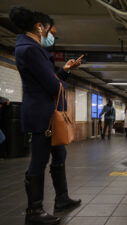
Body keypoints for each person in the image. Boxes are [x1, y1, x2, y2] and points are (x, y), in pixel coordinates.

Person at [10, 7, 82, 225]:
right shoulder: (30, 50)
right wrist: (61, 82)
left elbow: (49, 80)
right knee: (39, 160)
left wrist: (65, 71)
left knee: (59, 155)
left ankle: (61, 199)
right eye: (50, 30)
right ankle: (34, 211)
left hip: (47, 113)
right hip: (42, 114)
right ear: (39, 27)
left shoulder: (32, 48)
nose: (52, 35)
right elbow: (51, 85)